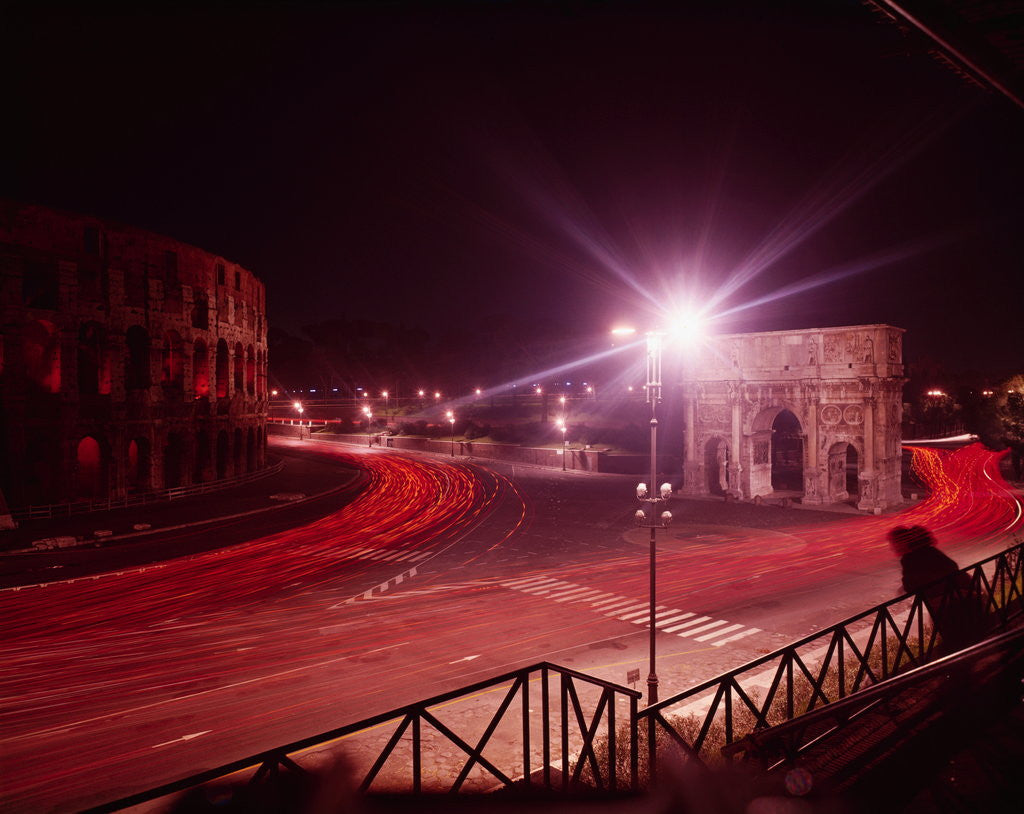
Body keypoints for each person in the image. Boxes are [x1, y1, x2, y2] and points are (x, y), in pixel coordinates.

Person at [889, 525, 983, 652]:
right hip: (967, 595)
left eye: (893, 543)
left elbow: (910, 585)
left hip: (948, 604)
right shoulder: (931, 551)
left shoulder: (910, 559)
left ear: (902, 543)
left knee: (956, 643)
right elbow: (950, 567)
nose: (892, 547)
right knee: (973, 636)